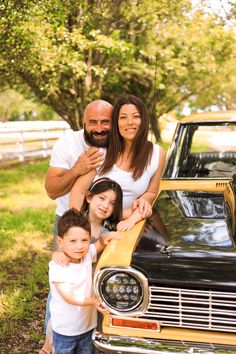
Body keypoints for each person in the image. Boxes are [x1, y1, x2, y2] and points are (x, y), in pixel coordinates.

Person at [41, 178, 123, 354]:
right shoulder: (75, 228)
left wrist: (106, 238)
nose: (80, 245)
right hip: (66, 329)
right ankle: (47, 346)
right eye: (101, 198)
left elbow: (97, 246)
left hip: (87, 324)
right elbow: (69, 297)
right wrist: (57, 253)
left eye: (84, 241)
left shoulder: (89, 250)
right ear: (89, 197)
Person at [69, 94, 166, 231]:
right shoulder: (100, 153)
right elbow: (78, 192)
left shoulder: (157, 154)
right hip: (93, 227)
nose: (130, 122)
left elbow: (152, 191)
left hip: (127, 226)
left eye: (136, 116)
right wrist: (76, 229)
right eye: (123, 117)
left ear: (144, 120)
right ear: (116, 123)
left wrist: (144, 200)